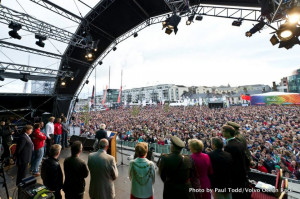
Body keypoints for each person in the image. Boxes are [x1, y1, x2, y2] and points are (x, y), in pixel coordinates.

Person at [222, 125, 249, 199]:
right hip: (242, 173)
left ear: (228, 133)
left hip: (235, 176)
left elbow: (229, 163)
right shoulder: (238, 142)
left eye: (223, 131)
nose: (222, 133)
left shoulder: (229, 146)